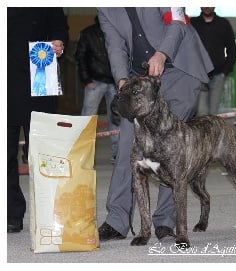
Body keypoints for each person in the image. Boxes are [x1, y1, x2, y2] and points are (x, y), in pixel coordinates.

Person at [96, 7, 213, 241]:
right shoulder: (104, 7)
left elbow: (178, 23)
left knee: (172, 151)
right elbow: (115, 45)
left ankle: (165, 222)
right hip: (139, 81)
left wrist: (161, 54)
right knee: (128, 147)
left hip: (179, 70)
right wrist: (121, 80)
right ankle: (116, 221)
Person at [7, 7, 69, 233]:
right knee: (5, 156)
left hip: (39, 80)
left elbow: (60, 27)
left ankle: (48, 213)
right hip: (6, 82)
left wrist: (59, 43)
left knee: (44, 155)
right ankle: (11, 213)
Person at [74, 16, 119, 163]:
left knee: (116, 118)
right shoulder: (87, 33)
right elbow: (80, 57)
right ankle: (85, 155)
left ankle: (117, 154)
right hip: (95, 81)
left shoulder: (116, 31)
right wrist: (86, 80)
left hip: (114, 81)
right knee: (87, 118)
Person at [190, 7, 236, 116]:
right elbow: (187, 48)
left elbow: (232, 51)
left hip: (218, 74)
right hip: (199, 76)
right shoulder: (193, 23)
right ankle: (202, 134)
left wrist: (225, 72)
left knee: (213, 112)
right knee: (201, 112)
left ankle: (213, 133)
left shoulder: (224, 24)